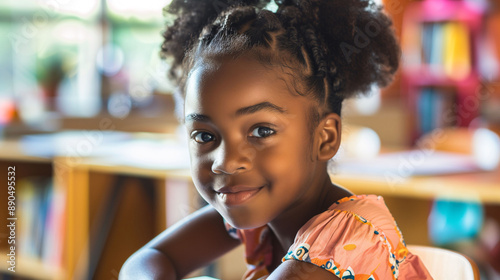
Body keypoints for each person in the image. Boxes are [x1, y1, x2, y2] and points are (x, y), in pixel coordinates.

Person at [120, 0, 433, 279]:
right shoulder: (261, 207)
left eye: (261, 132)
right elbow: (145, 261)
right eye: (205, 135)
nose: (226, 162)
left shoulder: (347, 236)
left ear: (324, 138)